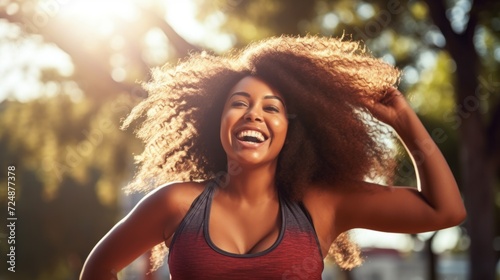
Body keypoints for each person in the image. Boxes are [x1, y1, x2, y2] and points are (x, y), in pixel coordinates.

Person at [80, 35, 466, 280]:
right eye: (239, 103)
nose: (253, 114)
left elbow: (444, 211)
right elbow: (99, 268)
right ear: (219, 121)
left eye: (272, 108)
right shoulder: (177, 203)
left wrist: (405, 121)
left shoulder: (321, 204)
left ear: (291, 129)